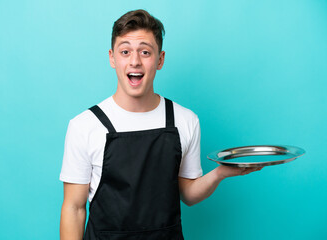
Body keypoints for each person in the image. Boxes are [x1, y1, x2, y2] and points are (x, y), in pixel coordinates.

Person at [59, 9, 262, 240]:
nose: (135, 61)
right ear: (112, 58)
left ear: (160, 59)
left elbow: (188, 194)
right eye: (125, 51)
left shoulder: (185, 120)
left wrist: (220, 173)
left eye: (145, 52)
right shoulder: (84, 125)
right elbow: (74, 209)